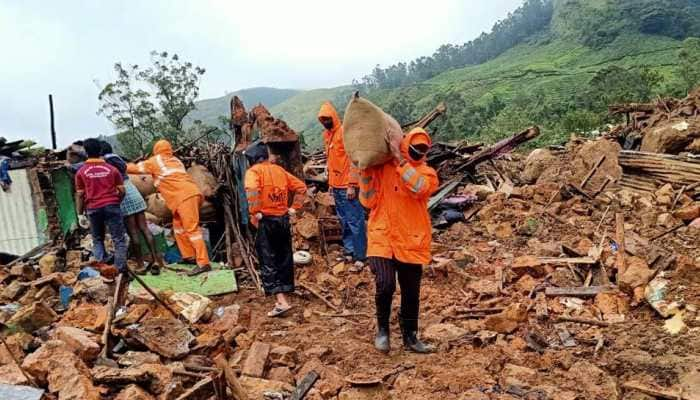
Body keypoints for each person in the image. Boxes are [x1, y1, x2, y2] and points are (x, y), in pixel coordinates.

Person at [358, 127, 439, 354]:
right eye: (415, 147)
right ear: (405, 145)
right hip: (382, 237)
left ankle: (411, 337)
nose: (418, 152)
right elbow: (367, 202)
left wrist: (401, 162)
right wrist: (364, 171)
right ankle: (382, 331)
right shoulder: (383, 169)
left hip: (411, 239)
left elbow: (419, 189)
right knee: (385, 285)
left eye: (422, 149)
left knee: (411, 291)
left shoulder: (428, 173)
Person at [127, 140, 210, 275]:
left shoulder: (156, 161)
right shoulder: (176, 161)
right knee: (178, 227)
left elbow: (134, 169)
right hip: (189, 195)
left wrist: (118, 165)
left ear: (156, 150)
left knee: (192, 230)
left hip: (184, 197)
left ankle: (203, 263)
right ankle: (189, 256)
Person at [245, 144, 307, 317]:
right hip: (282, 219)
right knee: (284, 257)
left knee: (268, 259)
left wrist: (254, 211)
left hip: (266, 220)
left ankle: (281, 301)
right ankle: (285, 291)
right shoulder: (279, 170)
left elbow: (251, 189)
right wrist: (294, 207)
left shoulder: (253, 172)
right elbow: (301, 188)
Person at [101, 141, 165, 275]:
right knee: (145, 228)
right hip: (133, 191)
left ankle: (141, 264)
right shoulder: (118, 159)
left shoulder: (106, 162)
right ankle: (157, 261)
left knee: (133, 232)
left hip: (123, 195)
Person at [318, 101, 367, 271]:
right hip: (337, 186)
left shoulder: (344, 133)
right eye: (322, 119)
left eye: (327, 118)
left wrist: (352, 184)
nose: (325, 122)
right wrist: (331, 184)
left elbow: (354, 160)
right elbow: (332, 162)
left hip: (348, 186)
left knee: (355, 220)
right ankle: (349, 251)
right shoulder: (327, 135)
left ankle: (361, 256)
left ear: (333, 116)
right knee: (344, 221)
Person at [74, 138, 128, 274]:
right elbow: (122, 191)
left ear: (86, 152)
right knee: (119, 239)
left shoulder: (81, 172)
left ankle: (101, 269)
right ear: (100, 151)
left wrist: (80, 214)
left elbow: (80, 195)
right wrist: (116, 201)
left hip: (93, 208)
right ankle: (119, 270)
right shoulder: (112, 169)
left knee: (97, 239)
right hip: (112, 205)